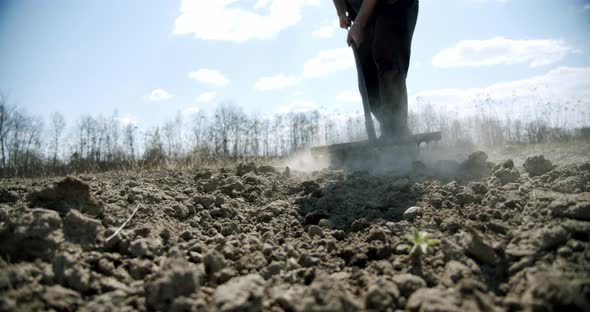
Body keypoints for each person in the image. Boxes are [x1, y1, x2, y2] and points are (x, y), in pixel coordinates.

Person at [332, 0, 419, 138]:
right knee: (367, 78)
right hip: (365, 13)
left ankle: (396, 134)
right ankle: (392, 129)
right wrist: (342, 13)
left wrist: (359, 24)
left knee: (387, 57)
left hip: (394, 5)